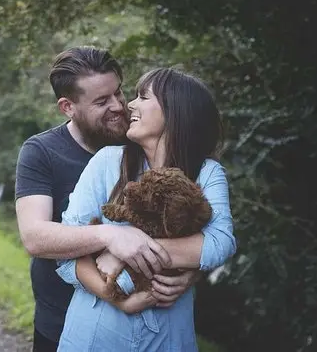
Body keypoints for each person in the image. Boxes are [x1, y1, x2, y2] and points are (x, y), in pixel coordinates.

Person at [15, 47, 206, 352]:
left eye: (119, 92)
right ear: (67, 107)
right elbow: (35, 238)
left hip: (147, 326)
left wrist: (190, 274)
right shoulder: (41, 152)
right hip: (59, 320)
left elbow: (193, 222)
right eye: (102, 102)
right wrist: (110, 235)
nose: (119, 106)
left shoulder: (142, 138)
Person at [54, 67, 237, 351]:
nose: (130, 104)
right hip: (96, 333)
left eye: (143, 97)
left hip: (168, 337)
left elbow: (219, 243)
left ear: (174, 111)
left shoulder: (207, 173)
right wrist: (117, 297)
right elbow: (67, 253)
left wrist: (123, 252)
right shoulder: (107, 162)